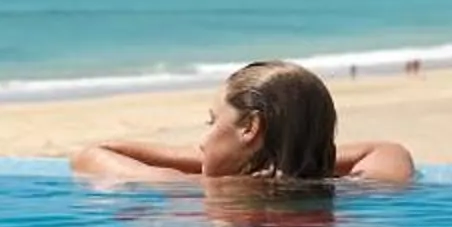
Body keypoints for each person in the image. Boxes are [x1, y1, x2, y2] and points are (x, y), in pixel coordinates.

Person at [67, 60, 416, 188]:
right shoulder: (362, 186)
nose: (203, 141)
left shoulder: (191, 189)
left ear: (250, 128)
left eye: (212, 121)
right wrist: (292, 153)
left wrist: (207, 166)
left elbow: (93, 154)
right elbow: (387, 150)